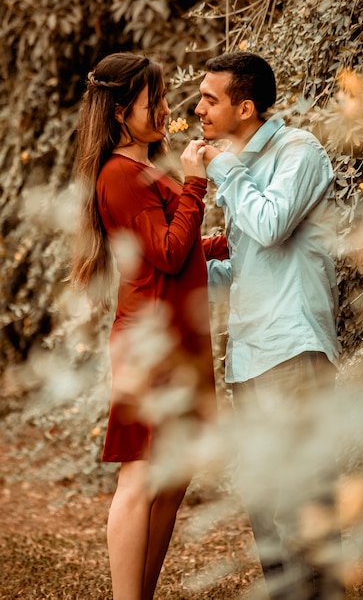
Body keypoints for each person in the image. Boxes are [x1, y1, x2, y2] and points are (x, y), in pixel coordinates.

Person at [185, 52, 343, 599]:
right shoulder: (240, 166)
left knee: (305, 503)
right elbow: (250, 267)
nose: (197, 107)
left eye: (210, 98)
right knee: (267, 509)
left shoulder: (298, 150)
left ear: (244, 107)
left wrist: (223, 170)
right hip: (249, 356)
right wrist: (188, 271)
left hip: (293, 351)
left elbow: (271, 225)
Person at [69, 52, 219, 600]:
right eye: (151, 99)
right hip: (148, 341)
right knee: (140, 476)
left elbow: (179, 247)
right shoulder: (119, 174)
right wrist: (196, 184)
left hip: (178, 338)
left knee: (174, 476)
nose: (163, 108)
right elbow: (168, 252)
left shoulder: (145, 170)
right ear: (118, 111)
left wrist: (229, 242)